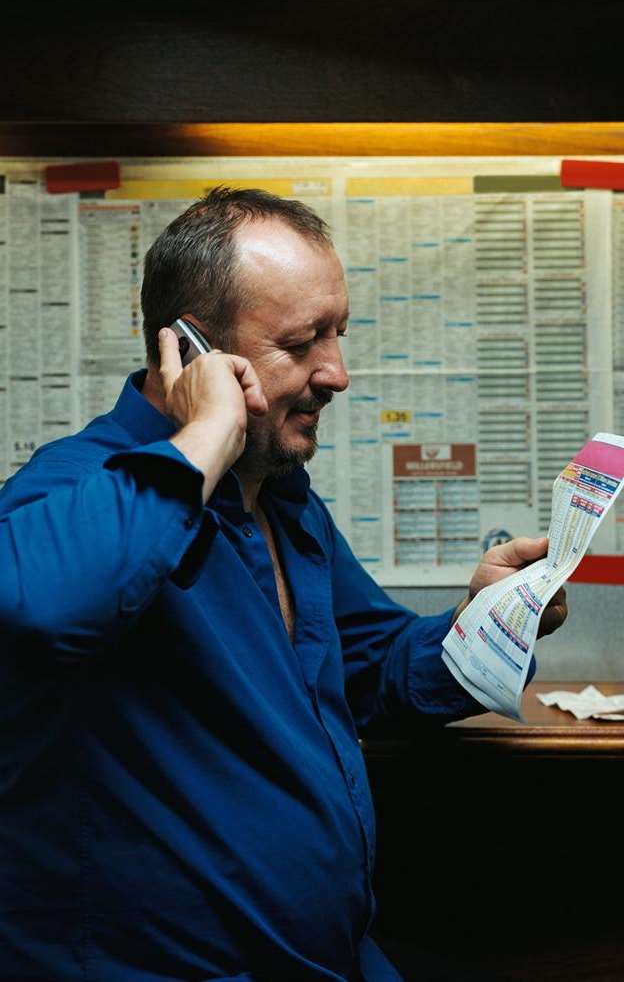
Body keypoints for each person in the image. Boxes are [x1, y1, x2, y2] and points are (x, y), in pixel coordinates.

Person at [0, 186, 567, 982]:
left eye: (338, 332)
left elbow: (370, 671)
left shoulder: (282, 499)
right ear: (195, 350)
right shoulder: (75, 483)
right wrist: (204, 432)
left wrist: (489, 622)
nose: (336, 372)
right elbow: (37, 608)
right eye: (303, 342)